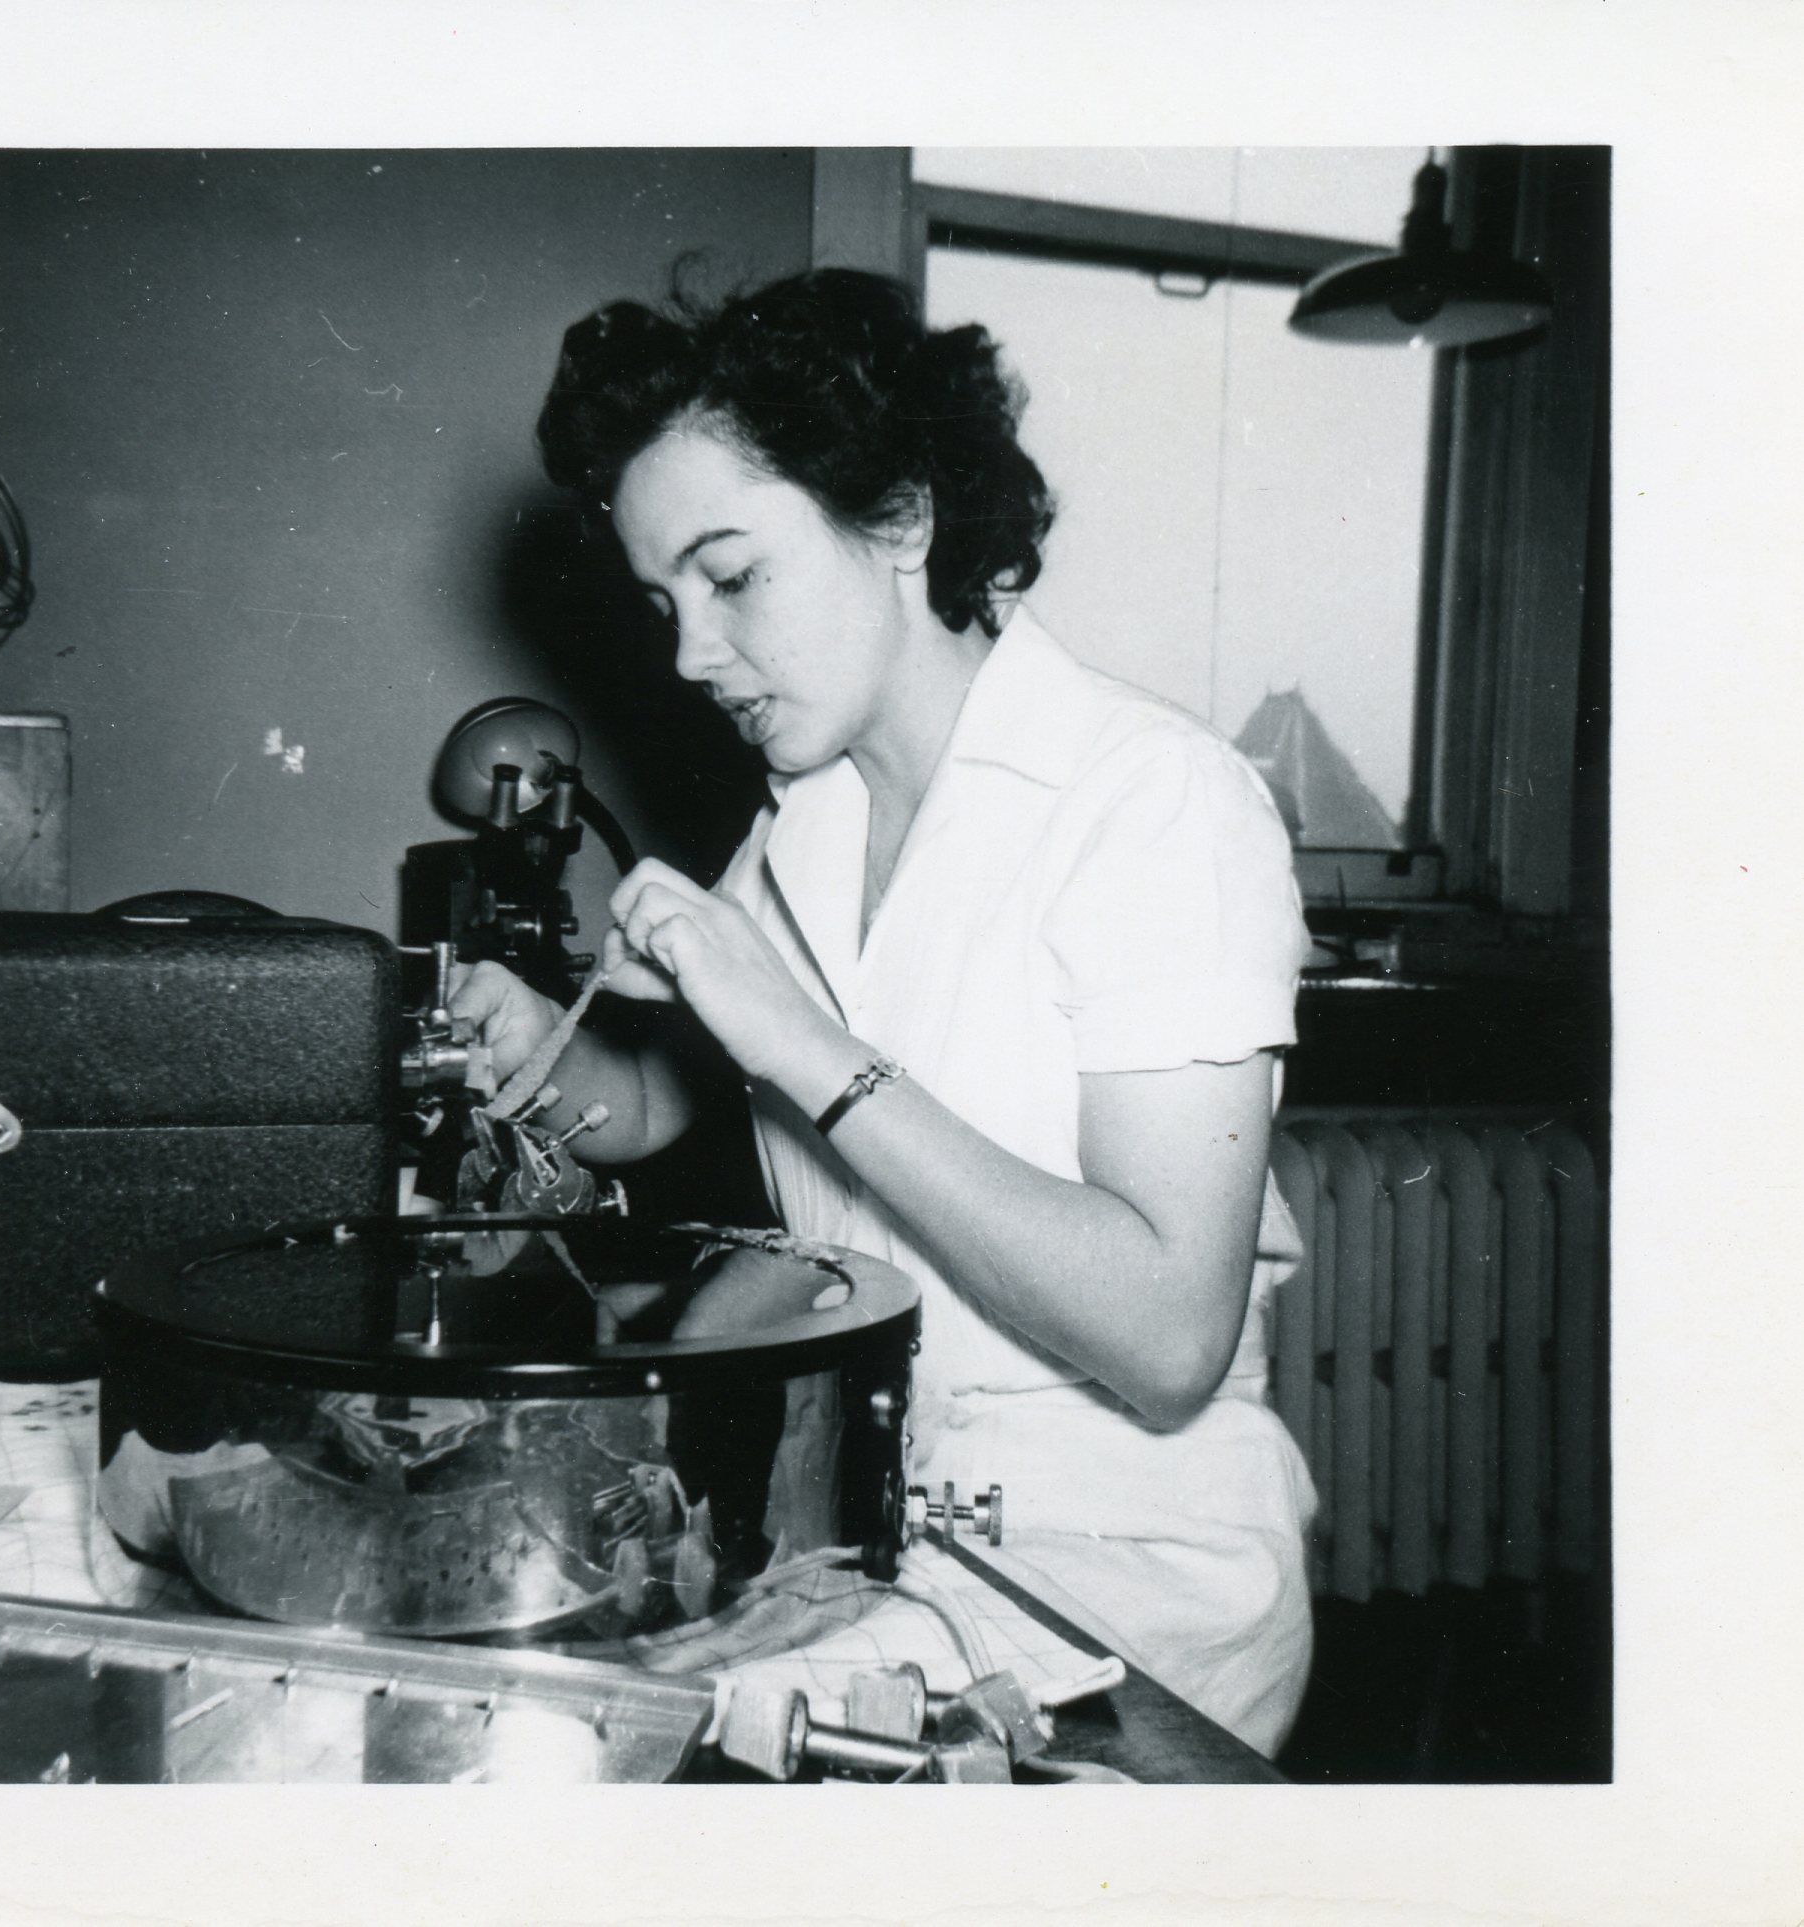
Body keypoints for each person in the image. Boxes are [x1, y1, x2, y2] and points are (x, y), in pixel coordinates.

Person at [453, 268, 1318, 1755]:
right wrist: (549, 1058)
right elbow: (665, 1100)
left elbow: (1171, 1335)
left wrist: (808, 1046)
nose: (687, 653)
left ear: (904, 520)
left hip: (1118, 1599)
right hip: (865, 1541)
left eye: (734, 577)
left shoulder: (1153, 801)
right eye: (664, 601)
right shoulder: (805, 822)